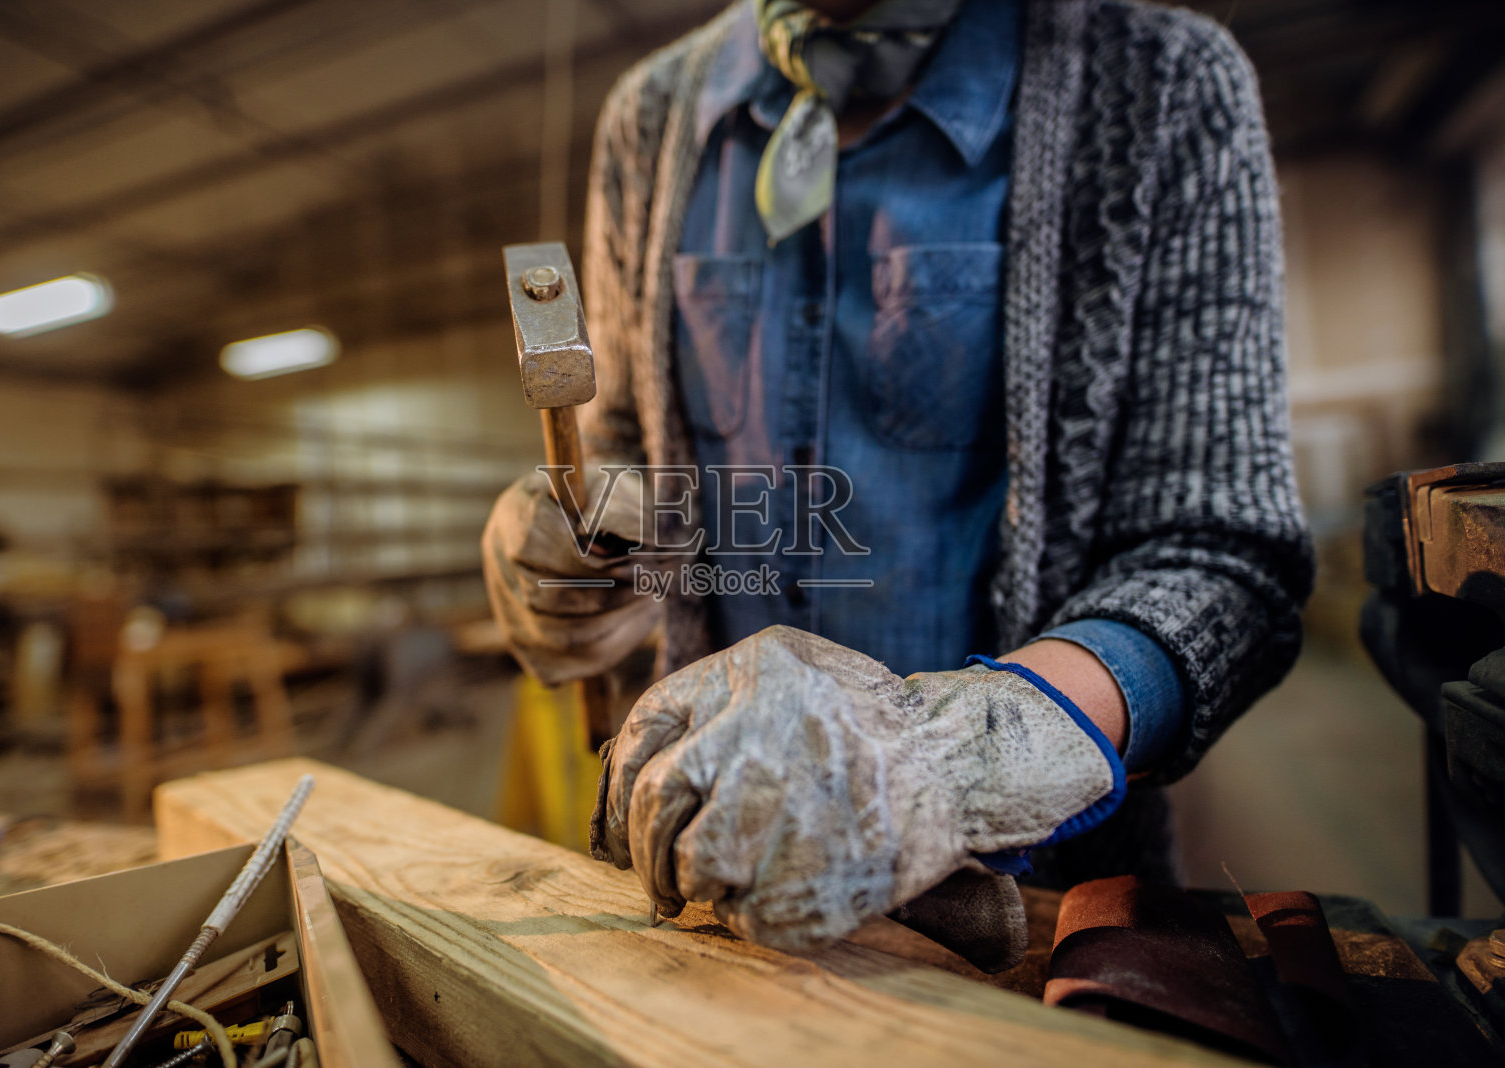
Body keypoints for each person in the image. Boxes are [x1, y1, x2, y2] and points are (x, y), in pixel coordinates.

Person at [483, 0, 1313, 970]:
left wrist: (951, 759)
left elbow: (1224, 558)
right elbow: (633, 445)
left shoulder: (1162, 80)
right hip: (715, 895)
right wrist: (601, 553)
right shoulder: (652, 116)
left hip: (1035, 918)